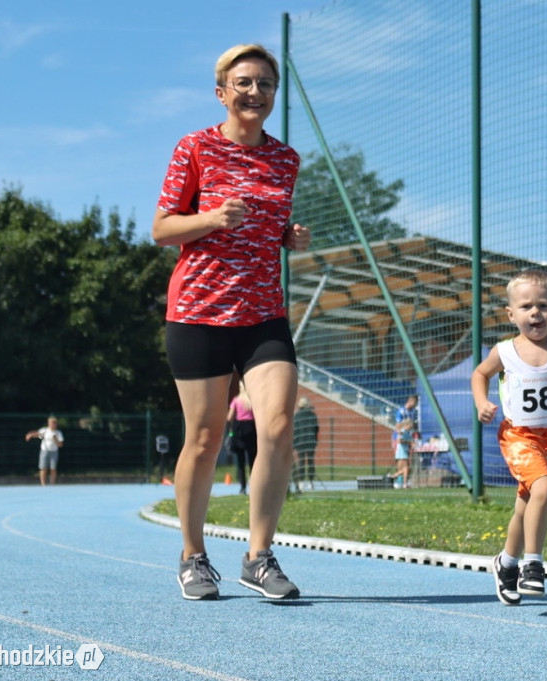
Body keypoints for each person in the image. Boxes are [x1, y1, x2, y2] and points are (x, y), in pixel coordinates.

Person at [152, 43, 311, 601]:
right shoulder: (194, 147)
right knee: (203, 437)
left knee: (277, 425)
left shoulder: (286, 160)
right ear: (222, 92)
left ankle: (258, 555)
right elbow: (162, 229)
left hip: (263, 313)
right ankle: (193, 556)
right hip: (198, 311)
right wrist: (212, 218)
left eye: (266, 84)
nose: (256, 92)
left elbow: (270, 227)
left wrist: (286, 238)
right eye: (244, 82)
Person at [472, 270, 547, 605]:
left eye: (543, 305)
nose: (535, 313)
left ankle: (506, 563)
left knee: (525, 505)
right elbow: (480, 373)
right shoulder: (505, 351)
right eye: (526, 306)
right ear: (512, 314)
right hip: (519, 436)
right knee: (545, 489)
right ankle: (533, 564)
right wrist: (482, 401)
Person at [226, 382, 257, 495]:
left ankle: (242, 487)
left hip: (239, 430)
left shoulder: (236, 400)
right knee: (253, 459)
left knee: (240, 461)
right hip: (251, 428)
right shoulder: (251, 401)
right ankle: (254, 484)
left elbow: (229, 417)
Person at [25, 416, 64, 486]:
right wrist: (30, 435)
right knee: (43, 468)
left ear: (56, 424)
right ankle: (43, 485)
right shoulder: (45, 430)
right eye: (50, 423)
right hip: (44, 451)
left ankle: (52, 484)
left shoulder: (58, 433)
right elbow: (37, 434)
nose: (52, 425)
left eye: (53, 423)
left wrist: (55, 439)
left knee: (53, 468)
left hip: (54, 452)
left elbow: (60, 445)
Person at [292, 397, 319, 491]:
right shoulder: (312, 415)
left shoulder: (296, 416)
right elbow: (316, 429)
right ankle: (311, 482)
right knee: (311, 462)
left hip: (299, 442)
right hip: (310, 441)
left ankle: (301, 482)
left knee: (301, 462)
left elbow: (294, 429)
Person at [392, 394, 418, 488]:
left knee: (406, 462)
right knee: (401, 461)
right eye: (415, 403)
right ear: (411, 401)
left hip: (407, 438)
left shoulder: (412, 412)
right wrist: (403, 431)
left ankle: (402, 480)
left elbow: (411, 425)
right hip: (399, 439)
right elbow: (398, 426)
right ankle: (398, 480)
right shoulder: (401, 411)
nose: (415, 405)